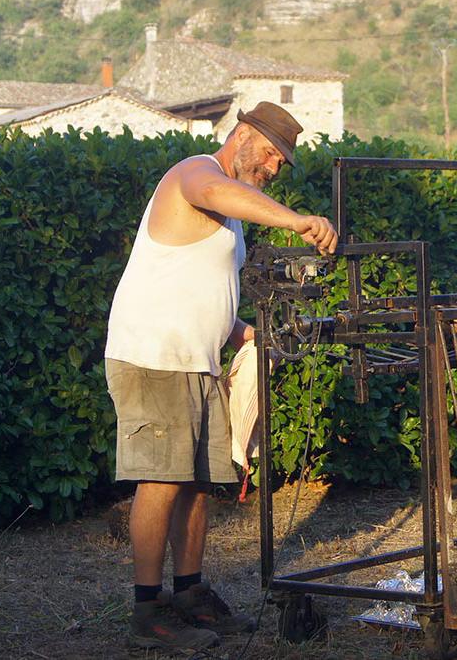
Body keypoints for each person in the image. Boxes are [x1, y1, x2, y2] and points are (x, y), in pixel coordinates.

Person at [104, 102, 338, 651]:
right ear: (244, 138)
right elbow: (215, 192)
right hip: (155, 355)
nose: (275, 168)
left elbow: (196, 281)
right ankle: (147, 611)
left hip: (197, 358)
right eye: (273, 156)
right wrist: (296, 219)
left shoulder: (231, 214)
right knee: (161, 479)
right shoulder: (194, 173)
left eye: (282, 162)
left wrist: (240, 333)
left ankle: (188, 594)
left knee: (197, 484)